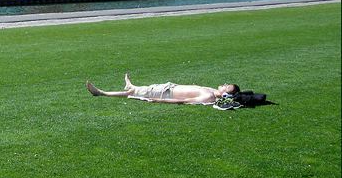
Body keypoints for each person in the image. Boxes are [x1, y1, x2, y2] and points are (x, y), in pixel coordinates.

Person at [86, 73, 240, 105]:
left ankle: (100, 93)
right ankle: (131, 86)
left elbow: (185, 101)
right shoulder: (212, 91)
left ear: (225, 92)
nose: (223, 84)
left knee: (131, 94)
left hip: (166, 93)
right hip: (169, 87)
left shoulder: (209, 97)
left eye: (226, 86)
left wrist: (158, 100)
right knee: (141, 89)